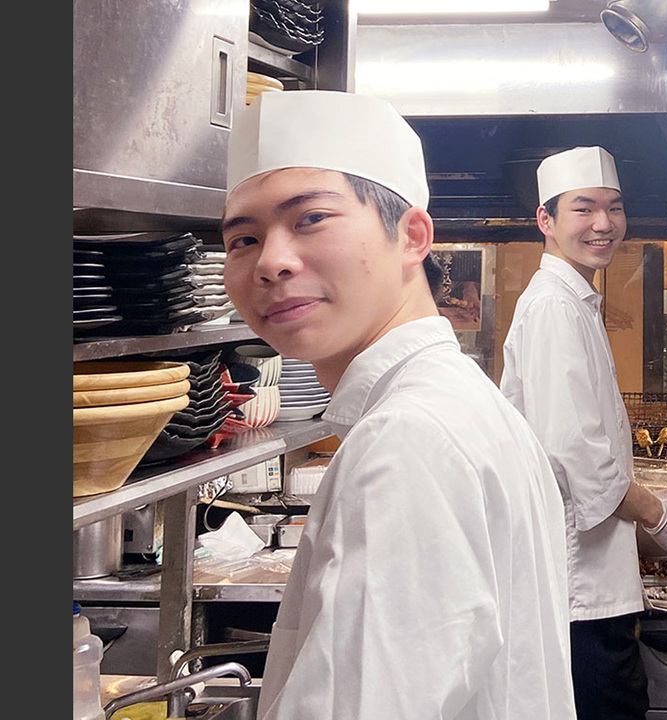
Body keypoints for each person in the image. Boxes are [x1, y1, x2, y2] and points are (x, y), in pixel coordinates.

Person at [219, 90, 576, 720]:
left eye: (311, 219)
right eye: (243, 238)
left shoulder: (408, 440)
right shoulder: (454, 402)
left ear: (412, 237)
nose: (271, 261)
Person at [499, 146, 667, 720]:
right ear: (545, 221)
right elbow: (575, 450)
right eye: (584, 208)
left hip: (592, 581)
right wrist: (658, 515)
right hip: (577, 585)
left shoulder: (575, 298)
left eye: (614, 208)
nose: (603, 224)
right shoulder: (553, 306)